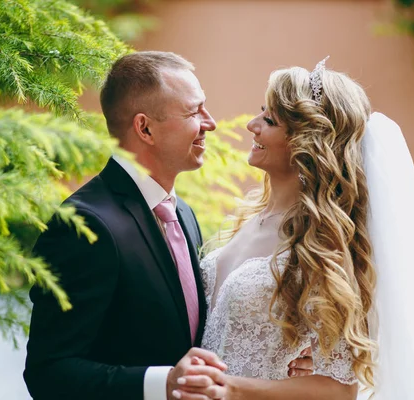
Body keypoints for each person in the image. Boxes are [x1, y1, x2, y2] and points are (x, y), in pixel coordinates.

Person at [23, 51, 313, 400]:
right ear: (144, 128)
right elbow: (48, 372)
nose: (211, 123)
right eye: (194, 112)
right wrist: (161, 383)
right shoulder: (86, 225)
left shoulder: (182, 215)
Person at [174, 58, 414, 400]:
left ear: (307, 143)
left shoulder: (322, 246)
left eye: (269, 120)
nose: (251, 125)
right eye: (261, 112)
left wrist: (231, 388)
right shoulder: (246, 218)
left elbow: (338, 390)